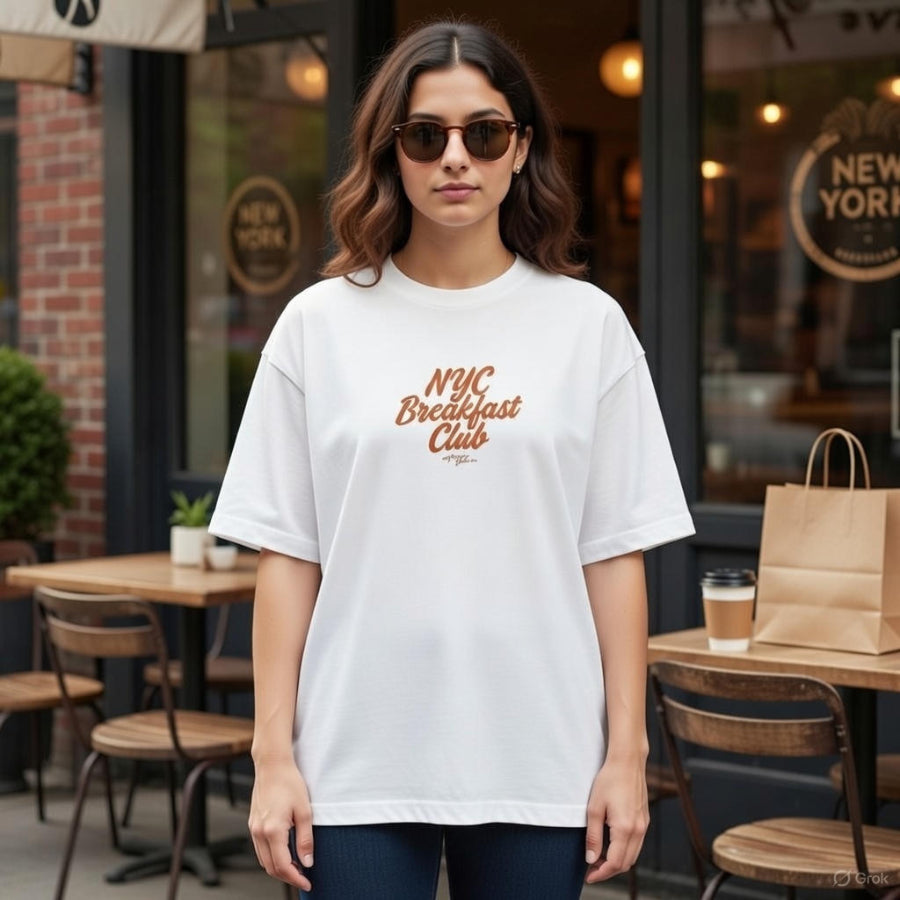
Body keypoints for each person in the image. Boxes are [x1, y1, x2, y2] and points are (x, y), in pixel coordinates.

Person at [209, 19, 694, 900]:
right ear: (392, 152)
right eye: (427, 136)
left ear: (521, 150)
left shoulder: (588, 329)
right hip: (354, 761)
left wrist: (627, 755)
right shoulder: (318, 328)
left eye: (486, 133)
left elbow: (615, 556)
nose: (456, 158)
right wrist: (271, 756)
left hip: (539, 757)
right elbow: (287, 558)